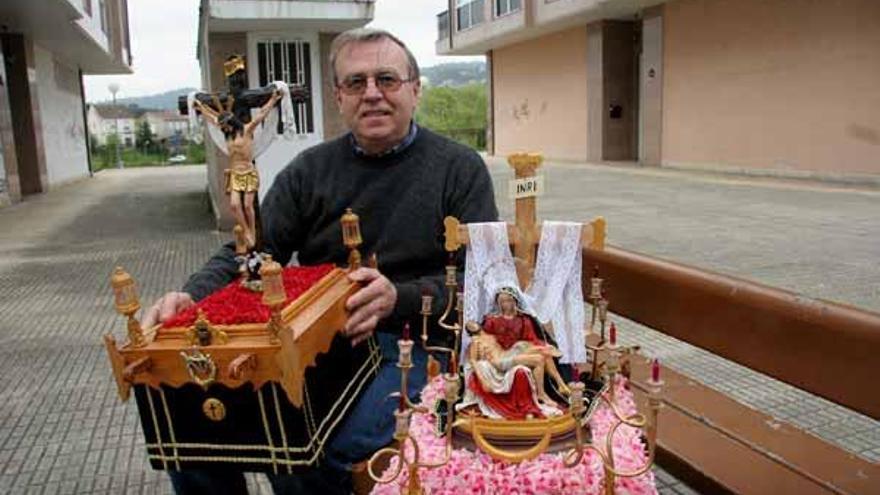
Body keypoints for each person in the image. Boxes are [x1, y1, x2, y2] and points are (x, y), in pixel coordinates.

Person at [142, 28, 498, 494]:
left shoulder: (459, 168)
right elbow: (250, 250)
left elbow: (486, 282)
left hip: (415, 343)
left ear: (415, 89)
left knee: (311, 448)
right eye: (356, 83)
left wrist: (400, 297)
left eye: (387, 79)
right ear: (338, 97)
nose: (372, 94)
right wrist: (191, 297)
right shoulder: (310, 171)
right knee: (191, 431)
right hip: (319, 344)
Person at [193, 90, 282, 248]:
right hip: (235, 173)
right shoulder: (227, 134)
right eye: (222, 126)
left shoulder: (246, 130)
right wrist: (201, 108)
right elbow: (212, 119)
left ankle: (253, 232)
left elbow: (261, 115)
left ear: (231, 122)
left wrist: (273, 99)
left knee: (248, 206)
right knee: (234, 205)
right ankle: (246, 230)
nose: (222, 128)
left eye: (224, 125)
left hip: (248, 171)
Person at [463, 321, 566, 418]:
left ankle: (561, 384)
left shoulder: (490, 336)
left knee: (545, 353)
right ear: (469, 331)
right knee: (539, 359)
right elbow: (473, 360)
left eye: (472, 322)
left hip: (508, 353)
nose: (471, 324)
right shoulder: (476, 341)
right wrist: (484, 380)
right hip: (501, 362)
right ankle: (541, 393)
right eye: (469, 326)